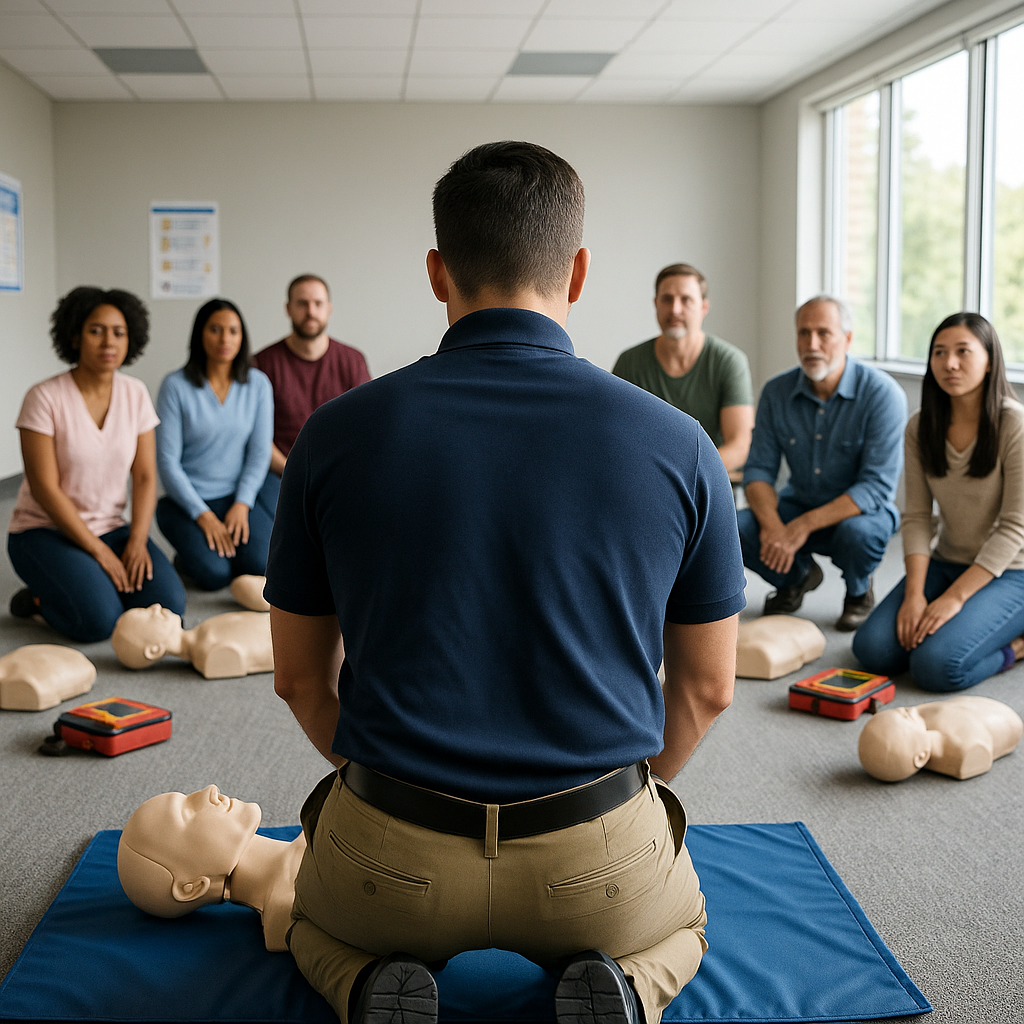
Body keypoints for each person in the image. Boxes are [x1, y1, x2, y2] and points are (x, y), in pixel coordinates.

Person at [266, 141, 746, 1024]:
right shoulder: (682, 446)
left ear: (436, 271)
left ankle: (364, 982)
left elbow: (298, 679)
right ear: (581, 270)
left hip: (392, 859)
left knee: (307, 926)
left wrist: (395, 783)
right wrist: (618, 800)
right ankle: (629, 988)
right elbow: (709, 689)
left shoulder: (332, 437)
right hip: (597, 867)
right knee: (688, 927)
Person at [852, 313, 1024, 690]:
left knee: (936, 666)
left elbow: (1014, 527)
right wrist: (915, 595)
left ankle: (1016, 646)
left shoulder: (1015, 424)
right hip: (948, 560)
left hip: (1012, 571)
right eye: (939, 352)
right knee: (873, 651)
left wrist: (954, 599)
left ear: (990, 359)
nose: (950, 363)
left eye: (963, 351)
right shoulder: (920, 425)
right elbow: (916, 517)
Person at [7, 287, 185, 642]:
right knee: (98, 623)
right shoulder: (43, 397)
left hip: (112, 527)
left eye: (119, 332)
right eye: (96, 330)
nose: (109, 342)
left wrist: (137, 540)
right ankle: (39, 601)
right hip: (44, 531)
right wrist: (99, 552)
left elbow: (146, 476)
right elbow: (44, 488)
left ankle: (91, 582)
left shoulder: (134, 393)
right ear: (74, 336)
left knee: (168, 606)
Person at [738, 295, 907, 631]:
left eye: (823, 334)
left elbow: (876, 487)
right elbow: (758, 470)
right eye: (804, 333)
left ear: (847, 338)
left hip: (860, 514)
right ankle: (796, 577)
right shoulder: (776, 391)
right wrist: (773, 526)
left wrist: (801, 527)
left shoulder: (883, 395)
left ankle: (859, 592)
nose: (811, 344)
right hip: (797, 503)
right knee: (736, 528)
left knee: (858, 535)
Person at [155, 299, 275, 592]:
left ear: (242, 337)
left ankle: (224, 545)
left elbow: (260, 452)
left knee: (261, 564)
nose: (225, 339)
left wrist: (242, 504)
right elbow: (168, 462)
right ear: (200, 335)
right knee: (215, 576)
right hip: (188, 501)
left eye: (233, 331)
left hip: (236, 497)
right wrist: (203, 515)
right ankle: (189, 556)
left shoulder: (258, 384)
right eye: (215, 330)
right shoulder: (175, 386)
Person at [118, 785, 306, 951]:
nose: (211, 789)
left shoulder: (311, 829)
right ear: (192, 887)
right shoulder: (293, 907)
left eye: (189, 796)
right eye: (187, 813)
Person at [612, 264, 753, 473]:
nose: (675, 309)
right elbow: (617, 436)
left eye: (686, 300)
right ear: (656, 304)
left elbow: (739, 446)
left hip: (705, 483)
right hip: (646, 480)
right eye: (667, 299)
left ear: (704, 308)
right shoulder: (629, 362)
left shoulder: (729, 361)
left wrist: (687, 476)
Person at [253, 275, 370, 477]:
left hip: (340, 472)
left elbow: (366, 425)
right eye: (302, 303)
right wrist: (293, 473)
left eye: (318, 303)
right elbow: (257, 436)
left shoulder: (353, 360)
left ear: (329, 309)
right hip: (280, 473)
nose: (311, 312)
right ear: (288, 309)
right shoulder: (263, 363)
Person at [858, 697, 1023, 781]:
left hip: (996, 712)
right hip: (1005, 720)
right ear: (921, 756)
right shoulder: (965, 746)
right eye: (908, 716)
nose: (914, 710)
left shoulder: (926, 719)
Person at [112, 602, 273, 679]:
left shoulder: (203, 630)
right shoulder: (209, 655)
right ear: (154, 650)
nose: (156, 606)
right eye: (148, 615)